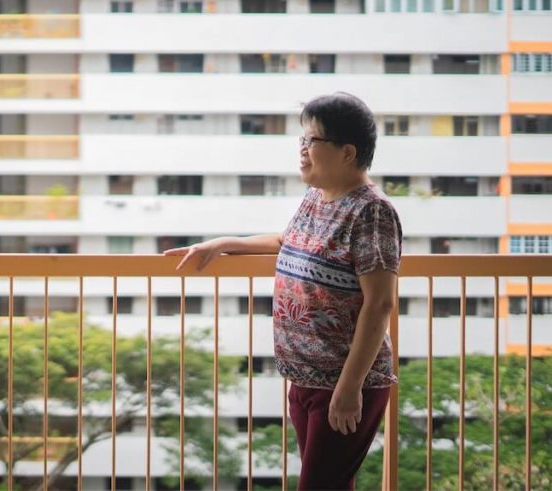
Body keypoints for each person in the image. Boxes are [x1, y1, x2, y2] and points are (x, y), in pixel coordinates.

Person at [165, 92, 402, 490]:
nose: (303, 151)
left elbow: (380, 303)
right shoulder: (316, 199)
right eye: (302, 141)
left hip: (342, 382)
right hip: (305, 379)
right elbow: (285, 240)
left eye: (313, 141)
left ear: (347, 153)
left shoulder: (371, 212)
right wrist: (223, 242)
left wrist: (348, 388)